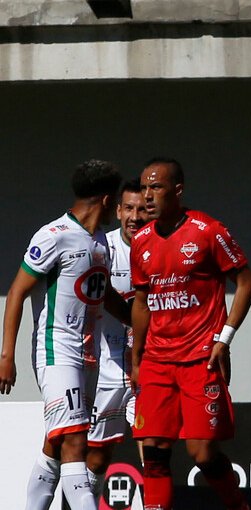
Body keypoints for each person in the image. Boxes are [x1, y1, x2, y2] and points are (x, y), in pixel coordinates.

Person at [0, 159, 129, 510]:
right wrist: (6, 356)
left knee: (54, 445)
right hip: (57, 353)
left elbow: (104, 294)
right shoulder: (53, 235)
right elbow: (16, 292)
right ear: (106, 199)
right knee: (76, 442)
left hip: (89, 357)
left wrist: (139, 320)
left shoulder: (100, 240)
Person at [130, 157, 251, 510]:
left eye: (156, 187)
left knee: (201, 452)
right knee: (153, 452)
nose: (147, 196)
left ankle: (240, 506)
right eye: (144, 187)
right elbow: (142, 301)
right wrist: (136, 356)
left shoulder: (207, 230)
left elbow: (246, 281)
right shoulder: (140, 240)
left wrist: (225, 337)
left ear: (178, 190)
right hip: (157, 358)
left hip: (200, 355)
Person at [86, 178, 149, 499]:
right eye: (129, 208)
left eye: (142, 209)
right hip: (106, 372)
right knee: (96, 457)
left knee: (152, 452)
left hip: (149, 370)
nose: (135, 217)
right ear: (118, 210)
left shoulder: (162, 249)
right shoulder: (101, 248)